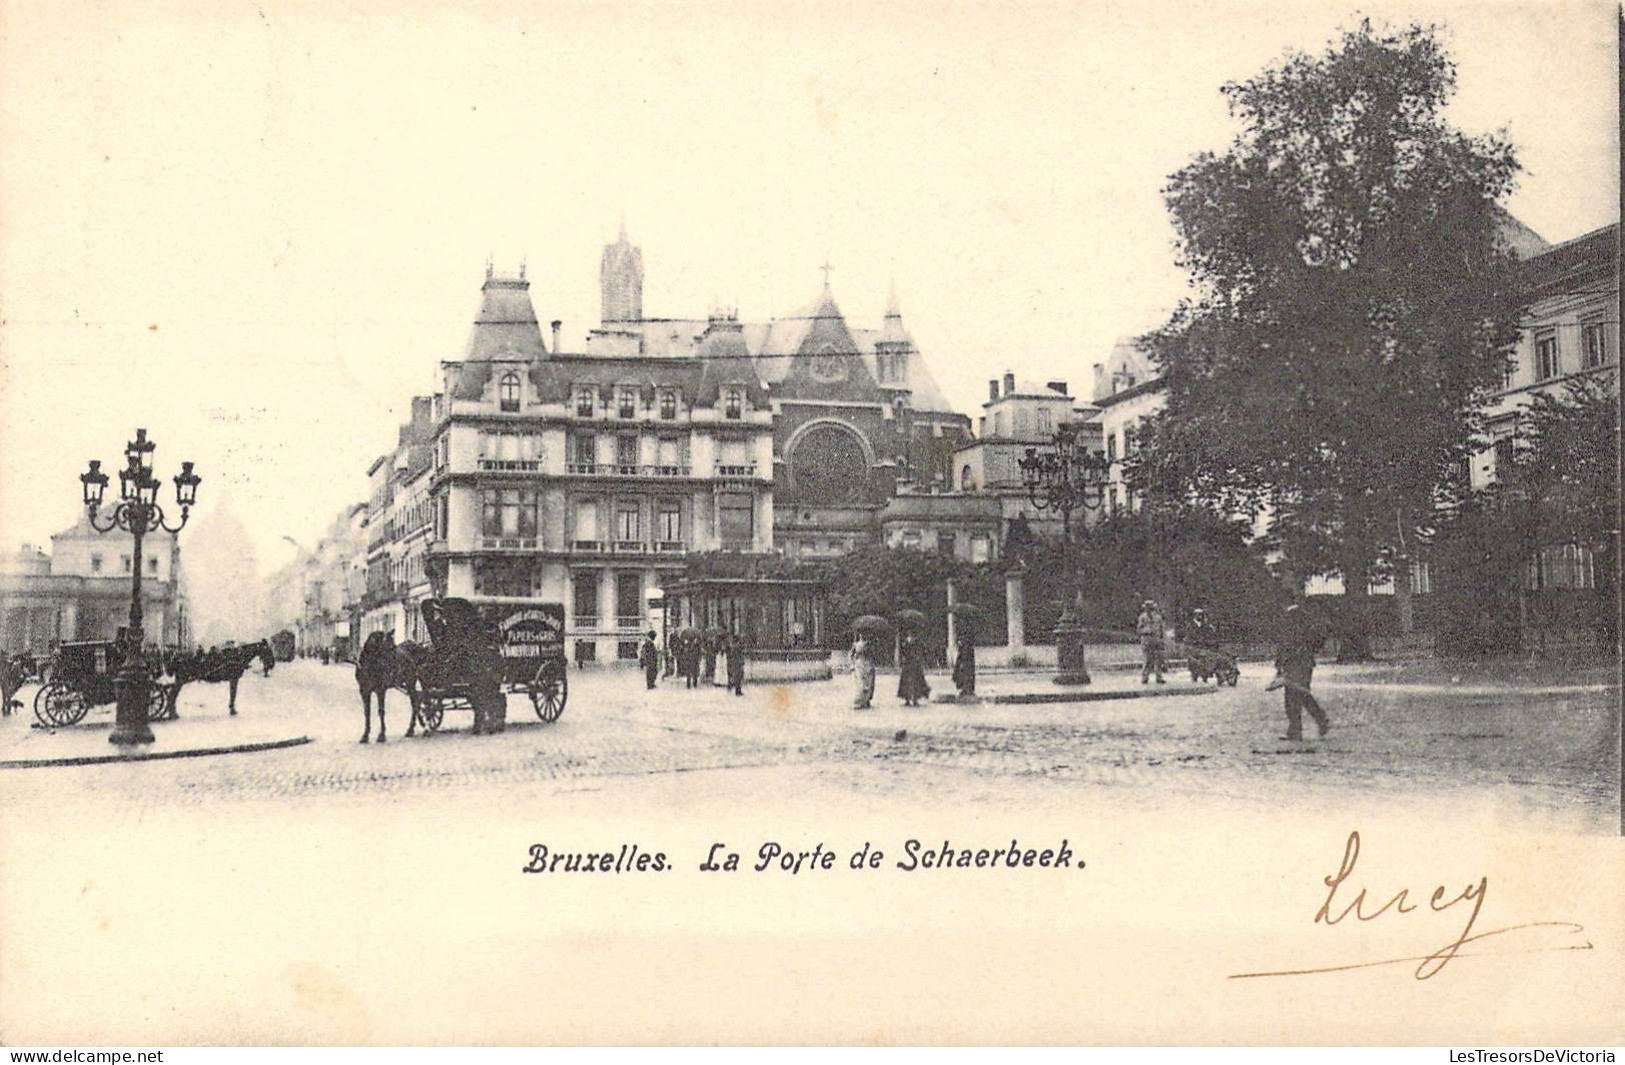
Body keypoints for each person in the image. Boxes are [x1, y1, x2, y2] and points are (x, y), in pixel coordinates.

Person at [1274, 603, 1330, 740]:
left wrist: (1280, 663)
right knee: (1296, 695)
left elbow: (1286, 644)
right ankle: (1300, 727)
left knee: (1298, 694)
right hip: (1295, 663)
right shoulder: (1297, 619)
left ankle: (1312, 722)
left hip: (1300, 663)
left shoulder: (1294, 618)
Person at [897, 632, 930, 707]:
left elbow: (920, 651)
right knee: (908, 682)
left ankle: (913, 699)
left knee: (915, 682)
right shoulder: (907, 643)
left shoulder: (914, 642)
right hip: (910, 664)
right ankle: (909, 699)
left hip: (913, 664)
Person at [1137, 600, 1166, 684]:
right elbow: (1139, 630)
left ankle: (1159, 677)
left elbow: (1161, 630)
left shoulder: (1158, 618)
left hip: (1156, 641)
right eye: (1148, 608)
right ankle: (1144, 677)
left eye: (1151, 608)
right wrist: (1146, 630)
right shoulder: (1142, 618)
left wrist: (1162, 640)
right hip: (1147, 641)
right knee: (1147, 660)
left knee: (1158, 660)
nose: (1150, 610)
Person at [851, 633, 876, 710]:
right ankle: (862, 700)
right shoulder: (857, 645)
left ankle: (865, 700)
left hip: (865, 664)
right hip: (862, 664)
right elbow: (852, 655)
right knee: (862, 683)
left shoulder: (867, 645)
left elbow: (852, 655)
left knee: (867, 683)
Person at [952, 631, 977, 697]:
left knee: (966, 673)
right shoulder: (965, 647)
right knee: (966, 673)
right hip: (965, 662)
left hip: (966, 663)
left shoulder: (966, 647)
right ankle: (966, 688)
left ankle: (967, 689)